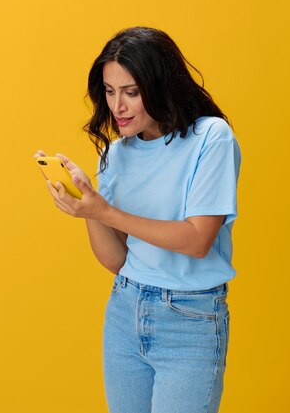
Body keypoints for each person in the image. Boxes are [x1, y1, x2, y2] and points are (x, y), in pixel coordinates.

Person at [35, 26, 241, 413]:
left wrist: (105, 211)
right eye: (110, 92)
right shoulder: (116, 153)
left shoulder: (211, 138)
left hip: (190, 320)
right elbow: (116, 260)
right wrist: (87, 208)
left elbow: (197, 241)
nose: (118, 107)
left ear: (162, 85)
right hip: (125, 310)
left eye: (131, 92)